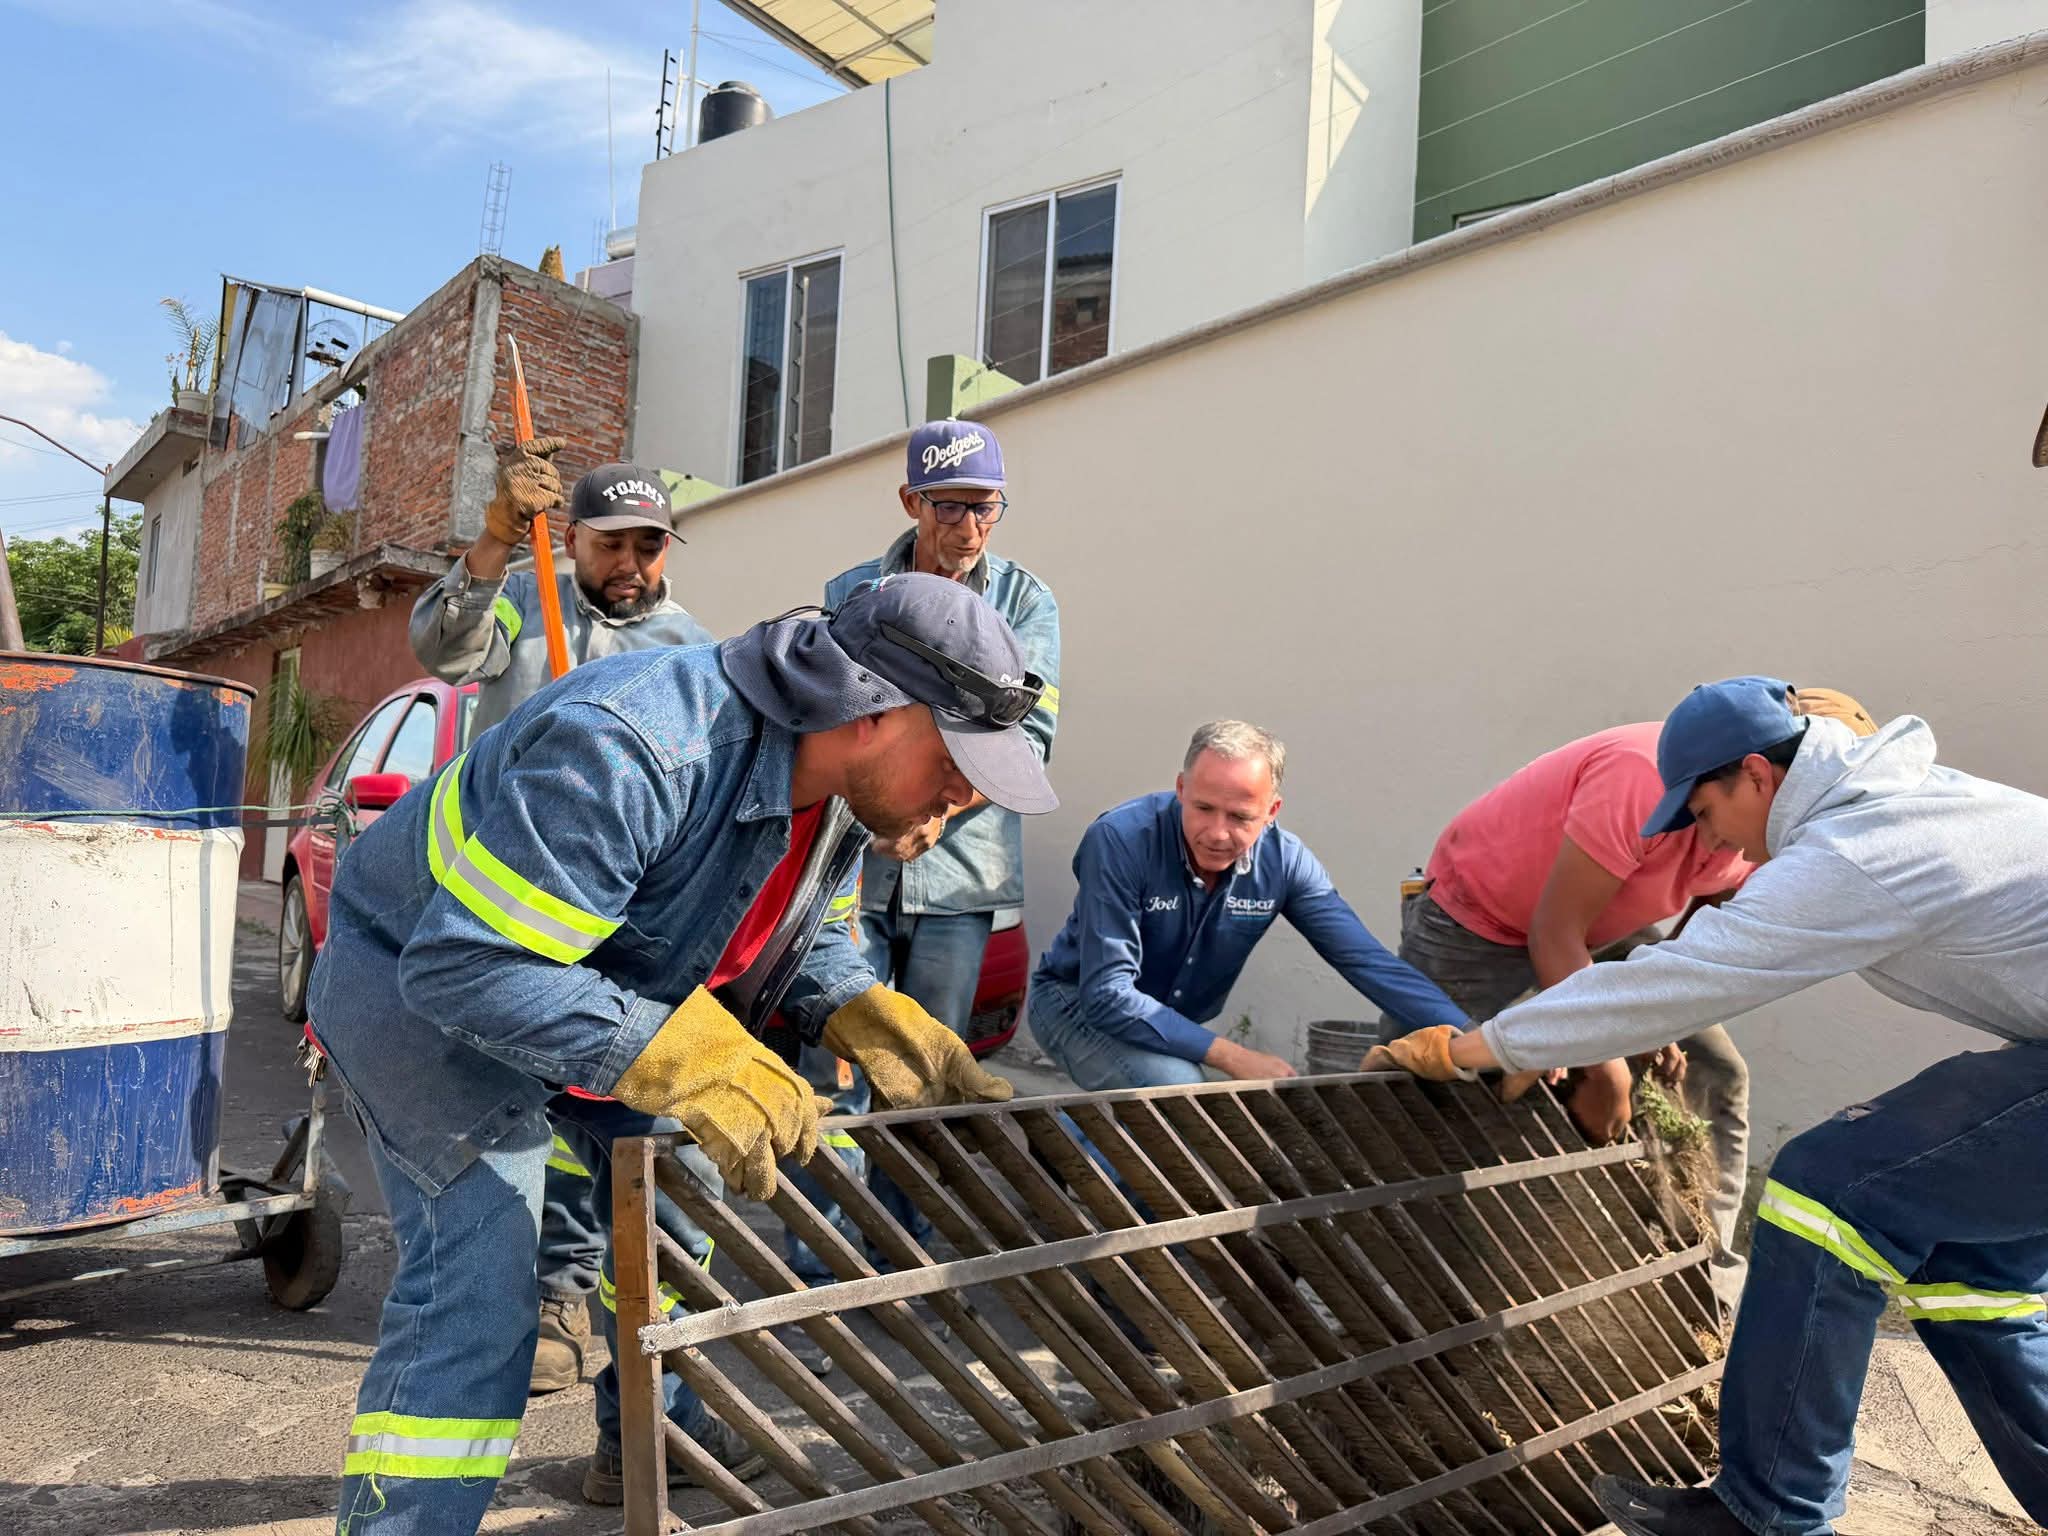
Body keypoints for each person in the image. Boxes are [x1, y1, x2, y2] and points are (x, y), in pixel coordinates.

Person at [308, 573, 1048, 1533]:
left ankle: (649, 1444)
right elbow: (467, 968)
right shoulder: (635, 744)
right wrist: (694, 1058)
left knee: (670, 1232)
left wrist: (858, 1007)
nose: (964, 798)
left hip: (592, 990)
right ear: (873, 709)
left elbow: (794, 928)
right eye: (955, 763)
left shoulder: (835, 787)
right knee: (480, 1290)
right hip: (418, 987)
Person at [1365, 676, 2048, 1536]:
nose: (1700, 835)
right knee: (1973, 1276)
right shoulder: (1894, 804)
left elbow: (1684, 972)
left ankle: (1769, 1516)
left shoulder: (1854, 850)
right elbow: (1685, 951)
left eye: (1704, 809)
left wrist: (1470, 1046)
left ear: (1757, 775)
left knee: (1826, 1189)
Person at [1390, 688, 1878, 1307]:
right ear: (1763, 771)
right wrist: (1606, 1062)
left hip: (1612, 924)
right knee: (1430, 1095)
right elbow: (1554, 932)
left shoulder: (1790, 822)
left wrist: (1649, 1024)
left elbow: (1702, 940)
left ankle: (1706, 1297)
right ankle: (1408, 1297)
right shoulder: (1644, 778)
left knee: (1713, 1071)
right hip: (1482, 918)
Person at [410, 440, 714, 1394]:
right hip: (510, 908)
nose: (630, 566)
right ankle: (538, 1300)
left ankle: (583, 1298)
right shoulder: (519, 603)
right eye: (611, 545)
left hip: (626, 917)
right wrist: (498, 536)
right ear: (572, 539)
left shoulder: (692, 647)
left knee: (607, 1116)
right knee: (515, 1113)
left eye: (648, 547)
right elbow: (440, 646)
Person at [774, 421, 1061, 1372]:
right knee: (834, 1074)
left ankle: (899, 1271)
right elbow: (834, 717)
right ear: (911, 505)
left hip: (960, 880)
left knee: (922, 1081)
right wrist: (885, 817)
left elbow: (1035, 737)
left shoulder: (1028, 602)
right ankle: (816, 1284)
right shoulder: (856, 594)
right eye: (951, 507)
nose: (969, 526)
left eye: (986, 507)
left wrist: (936, 814)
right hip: (852, 871)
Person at [1030, 720, 1467, 1091]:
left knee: (1173, 1104)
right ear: (1181, 789)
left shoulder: (1287, 862)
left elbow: (1368, 963)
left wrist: (1480, 1039)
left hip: (1171, 1019)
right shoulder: (1120, 840)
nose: (1218, 833)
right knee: (1180, 1092)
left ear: (1272, 810)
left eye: (1240, 817)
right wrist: (1233, 1056)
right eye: (1203, 808)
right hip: (1076, 1004)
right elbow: (1108, 995)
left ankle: (1070, 1141)